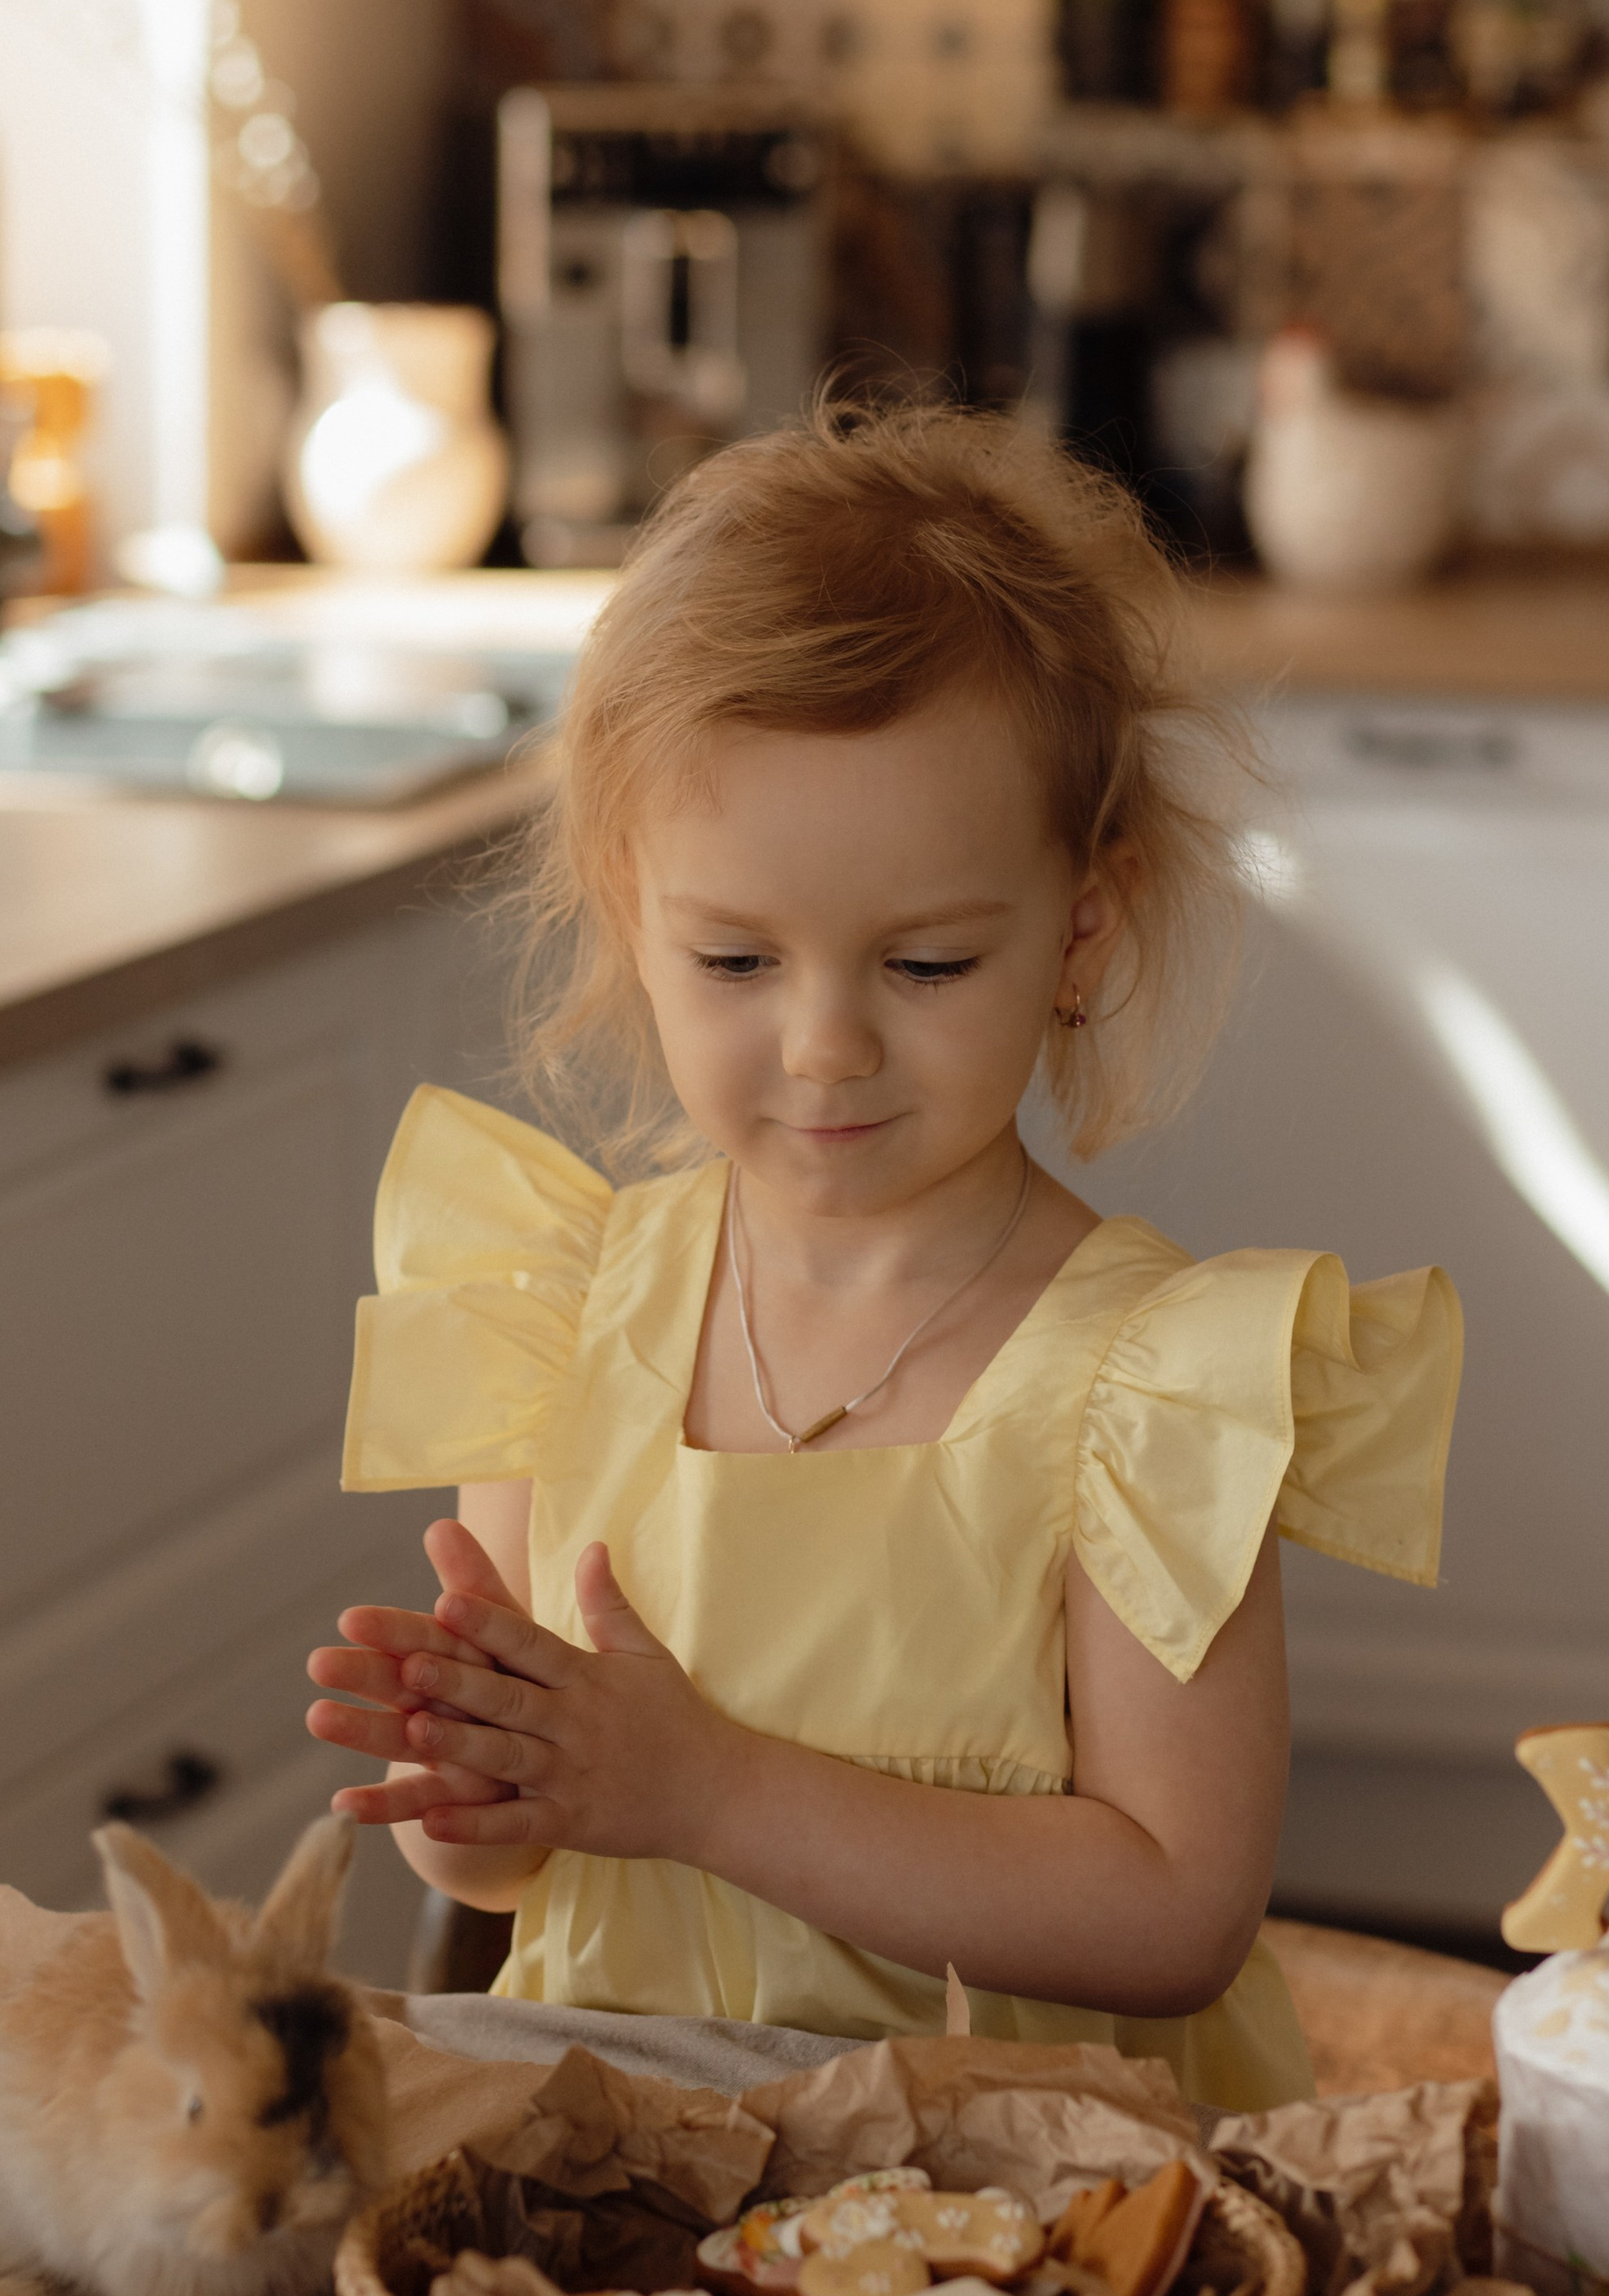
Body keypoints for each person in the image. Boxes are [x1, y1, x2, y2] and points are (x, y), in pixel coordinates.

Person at [306, 405, 1460, 2108]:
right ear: (633, 913)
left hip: (1034, 2237)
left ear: (1077, 933)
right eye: (732, 960)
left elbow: (1174, 1913)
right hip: (629, 2203)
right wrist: (487, 1800)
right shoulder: (546, 1310)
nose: (825, 1045)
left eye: (921, 966)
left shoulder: (1152, 1393)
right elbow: (504, 1884)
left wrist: (706, 1790)